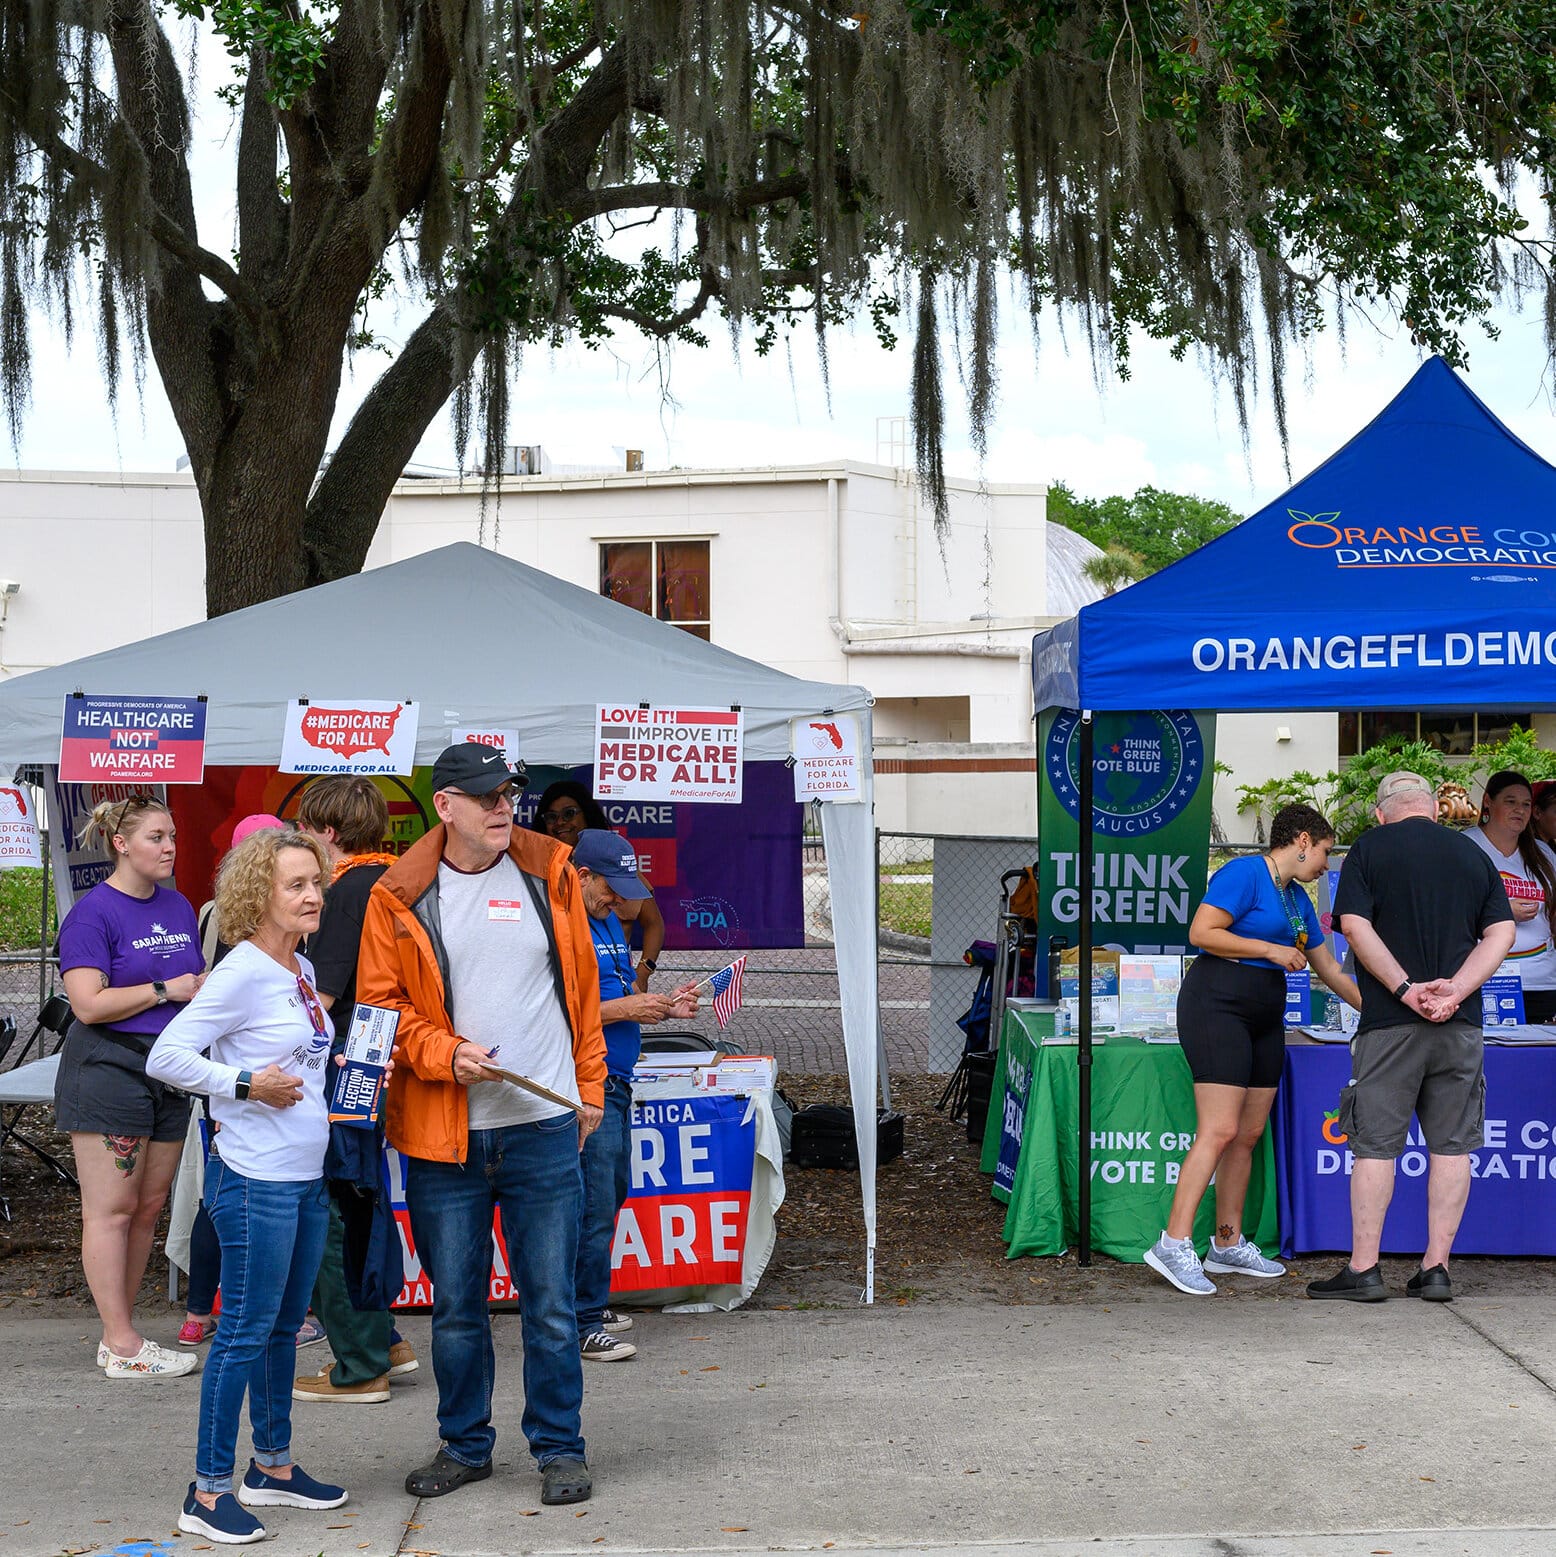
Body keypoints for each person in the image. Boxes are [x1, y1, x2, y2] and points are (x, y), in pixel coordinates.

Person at [357, 742, 606, 1506]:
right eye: (489, 795)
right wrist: (443, 1051)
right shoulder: (396, 892)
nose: (505, 807)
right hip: (445, 1135)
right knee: (456, 1307)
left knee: (553, 1306)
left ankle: (560, 1448)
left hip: (541, 1125)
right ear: (446, 806)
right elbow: (378, 1010)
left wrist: (590, 1088)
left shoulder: (551, 870)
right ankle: (466, 1444)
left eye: (510, 794)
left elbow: (583, 991)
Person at [147, 827, 350, 1545]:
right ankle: (205, 1492)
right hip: (254, 1179)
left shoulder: (294, 965)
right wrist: (244, 1082)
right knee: (241, 1333)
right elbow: (167, 1055)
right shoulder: (239, 972)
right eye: (295, 884)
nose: (312, 895)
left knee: (278, 1332)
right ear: (257, 895)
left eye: (315, 882)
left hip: (300, 1177)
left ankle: (273, 1467)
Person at [1307, 771, 1515, 1303]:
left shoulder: (1370, 849)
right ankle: (1436, 1268)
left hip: (1391, 1026)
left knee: (1375, 1146)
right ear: (1435, 810)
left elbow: (1352, 925)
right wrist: (1455, 991)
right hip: (1460, 1024)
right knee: (1452, 1147)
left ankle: (1364, 1269)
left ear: (1381, 813)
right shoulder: (1473, 855)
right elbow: (1503, 932)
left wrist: (1405, 989)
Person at [1144, 803, 1360, 1296]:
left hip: (1266, 1017)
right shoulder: (1244, 872)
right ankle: (1173, 1243)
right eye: (1325, 851)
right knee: (1218, 1129)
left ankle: (1226, 1243)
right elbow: (1201, 933)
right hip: (1217, 1006)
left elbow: (1328, 968)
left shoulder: (1297, 898)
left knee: (1246, 1133)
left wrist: (1385, 1006)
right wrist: (1268, 950)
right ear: (1302, 839)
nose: (1326, 864)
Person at [54, 794, 204, 1379]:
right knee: (111, 1210)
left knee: (146, 1209)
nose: (169, 847)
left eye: (172, 837)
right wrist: (168, 990)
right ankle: (120, 1342)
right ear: (121, 844)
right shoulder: (93, 914)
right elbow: (88, 1005)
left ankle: (125, 1333)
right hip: (109, 1068)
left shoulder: (178, 905)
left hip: (169, 1069)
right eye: (155, 837)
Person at [291, 775, 418, 1403]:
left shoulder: (345, 893)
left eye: (305, 832)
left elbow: (323, 998)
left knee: (336, 1212)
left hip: (344, 1066)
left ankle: (360, 1362)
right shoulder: (399, 879)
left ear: (329, 833)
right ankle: (386, 1337)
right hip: (382, 1058)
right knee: (366, 1199)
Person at [569, 830, 699, 1363]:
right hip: (586, 1080)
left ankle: (587, 1308)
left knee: (609, 1192)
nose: (617, 899)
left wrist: (661, 1003)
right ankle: (579, 1321)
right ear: (580, 875)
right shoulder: (561, 925)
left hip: (615, 1077)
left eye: (624, 888)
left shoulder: (602, 918)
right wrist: (630, 1010)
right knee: (593, 1201)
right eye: (609, 887)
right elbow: (560, 1012)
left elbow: (618, 991)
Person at [533, 780, 665, 991]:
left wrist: (642, 973)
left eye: (569, 813)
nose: (560, 822)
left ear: (586, 814)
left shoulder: (621, 870)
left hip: (621, 993)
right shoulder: (534, 875)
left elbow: (654, 923)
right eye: (551, 817)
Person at [1464, 770, 1556, 1023]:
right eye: (1510, 801)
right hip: (1483, 980)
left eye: (1526, 804)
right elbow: (1445, 910)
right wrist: (1501, 910)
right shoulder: (1463, 847)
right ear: (1487, 801)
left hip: (1541, 980)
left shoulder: (1544, 854)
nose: (1520, 810)